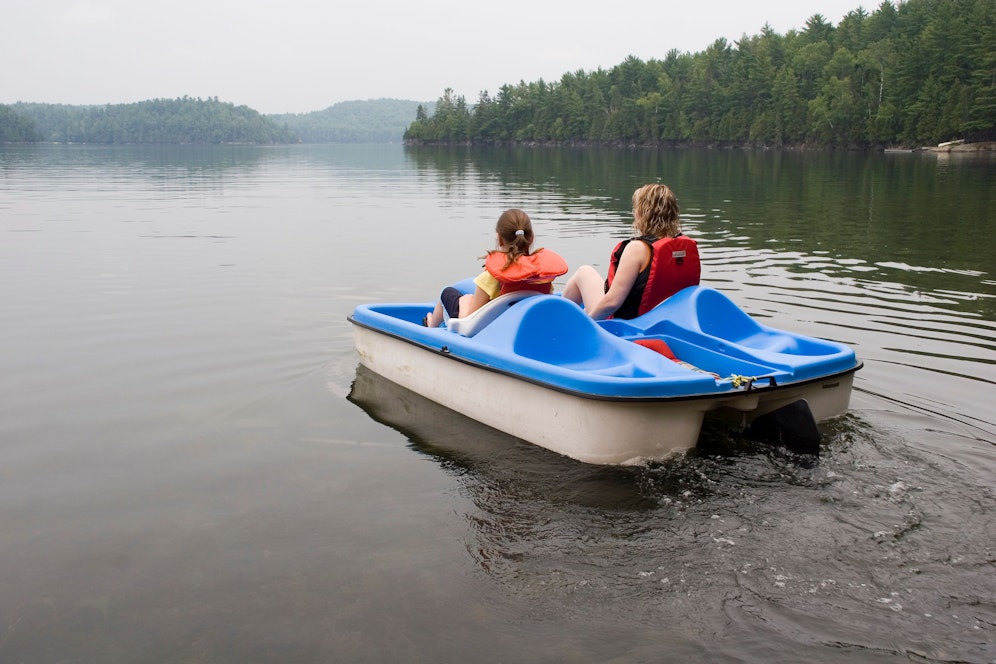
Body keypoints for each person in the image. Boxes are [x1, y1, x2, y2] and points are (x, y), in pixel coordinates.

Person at [561, 183, 700, 320]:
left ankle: (558, 317)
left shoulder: (638, 248)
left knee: (584, 272)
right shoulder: (682, 248)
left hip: (624, 321)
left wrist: (588, 323)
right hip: (659, 318)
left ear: (642, 214)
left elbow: (612, 303)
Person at [424, 209, 568, 327]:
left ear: (499, 239)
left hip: (492, 330)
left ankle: (431, 327)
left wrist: (465, 302)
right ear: (531, 238)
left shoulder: (491, 277)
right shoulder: (542, 276)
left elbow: (468, 323)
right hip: (523, 326)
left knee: (446, 292)